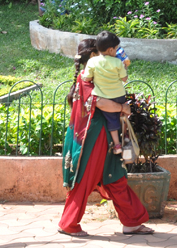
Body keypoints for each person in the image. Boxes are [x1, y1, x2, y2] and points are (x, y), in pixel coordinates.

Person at [59, 39, 152, 237]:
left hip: (105, 138)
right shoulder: (86, 80)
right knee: (84, 179)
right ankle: (68, 223)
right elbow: (101, 104)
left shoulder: (99, 78)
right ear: (93, 57)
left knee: (115, 177)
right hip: (92, 140)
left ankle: (132, 222)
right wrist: (122, 108)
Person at [81, 31, 129, 154]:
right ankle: (126, 137)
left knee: (111, 120)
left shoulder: (92, 62)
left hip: (104, 96)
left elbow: (86, 78)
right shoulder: (117, 62)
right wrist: (125, 67)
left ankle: (117, 145)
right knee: (122, 116)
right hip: (119, 95)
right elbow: (124, 79)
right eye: (116, 48)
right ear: (111, 49)